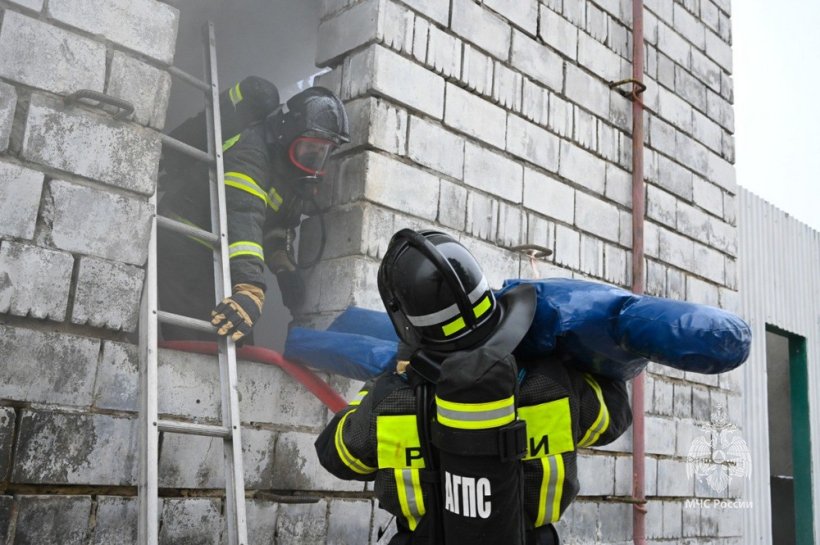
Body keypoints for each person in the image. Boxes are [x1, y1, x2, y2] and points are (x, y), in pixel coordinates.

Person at [315, 229, 632, 545]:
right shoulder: (555, 384)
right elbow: (615, 417)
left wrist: (380, 384)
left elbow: (336, 455)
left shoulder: (390, 399)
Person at [158, 85, 349, 343]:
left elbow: (275, 226)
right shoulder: (252, 151)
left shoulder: (287, 172)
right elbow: (244, 214)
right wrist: (250, 288)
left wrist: (283, 265)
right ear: (287, 134)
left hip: (220, 256)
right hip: (182, 240)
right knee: (193, 344)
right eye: (309, 149)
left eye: (321, 153)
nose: (313, 162)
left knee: (236, 337)